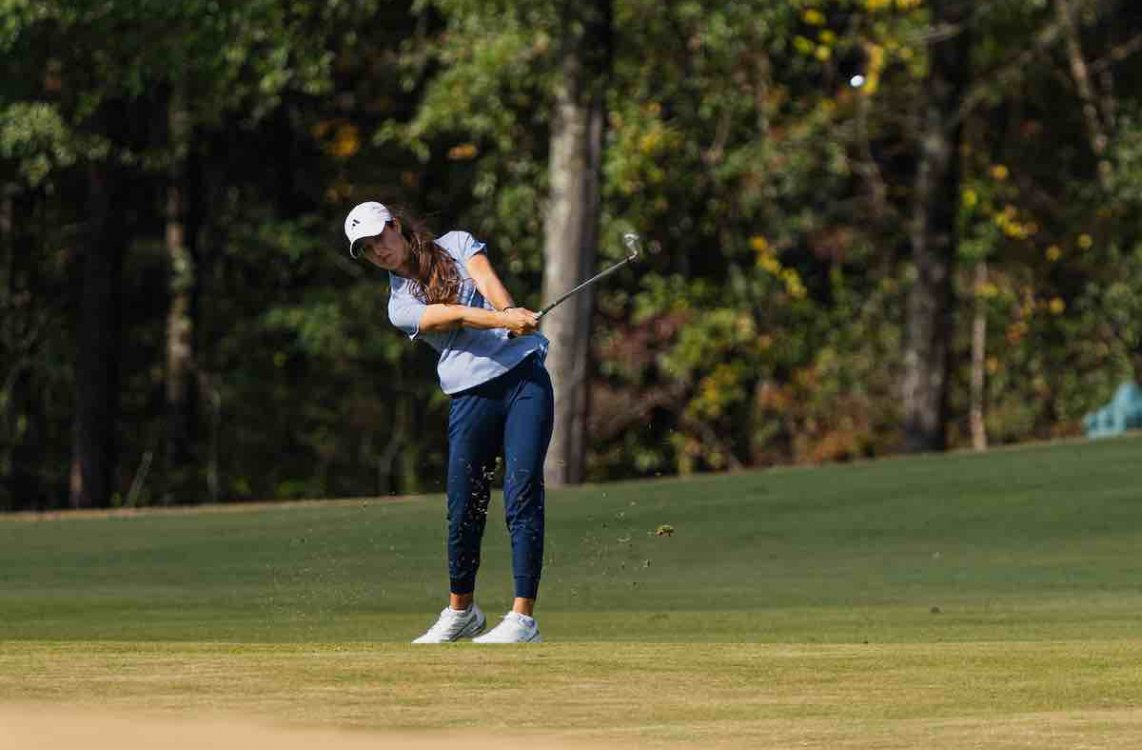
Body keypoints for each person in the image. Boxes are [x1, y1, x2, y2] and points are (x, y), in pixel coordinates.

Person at [343, 201, 554, 644]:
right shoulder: (399, 306)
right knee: (464, 505)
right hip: (470, 395)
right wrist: (503, 319)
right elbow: (454, 315)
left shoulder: (456, 244)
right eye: (366, 249)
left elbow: (486, 280)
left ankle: (522, 618)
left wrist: (511, 313)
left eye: (380, 237)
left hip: (524, 382)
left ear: (396, 226)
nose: (379, 250)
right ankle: (462, 612)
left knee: (521, 490)